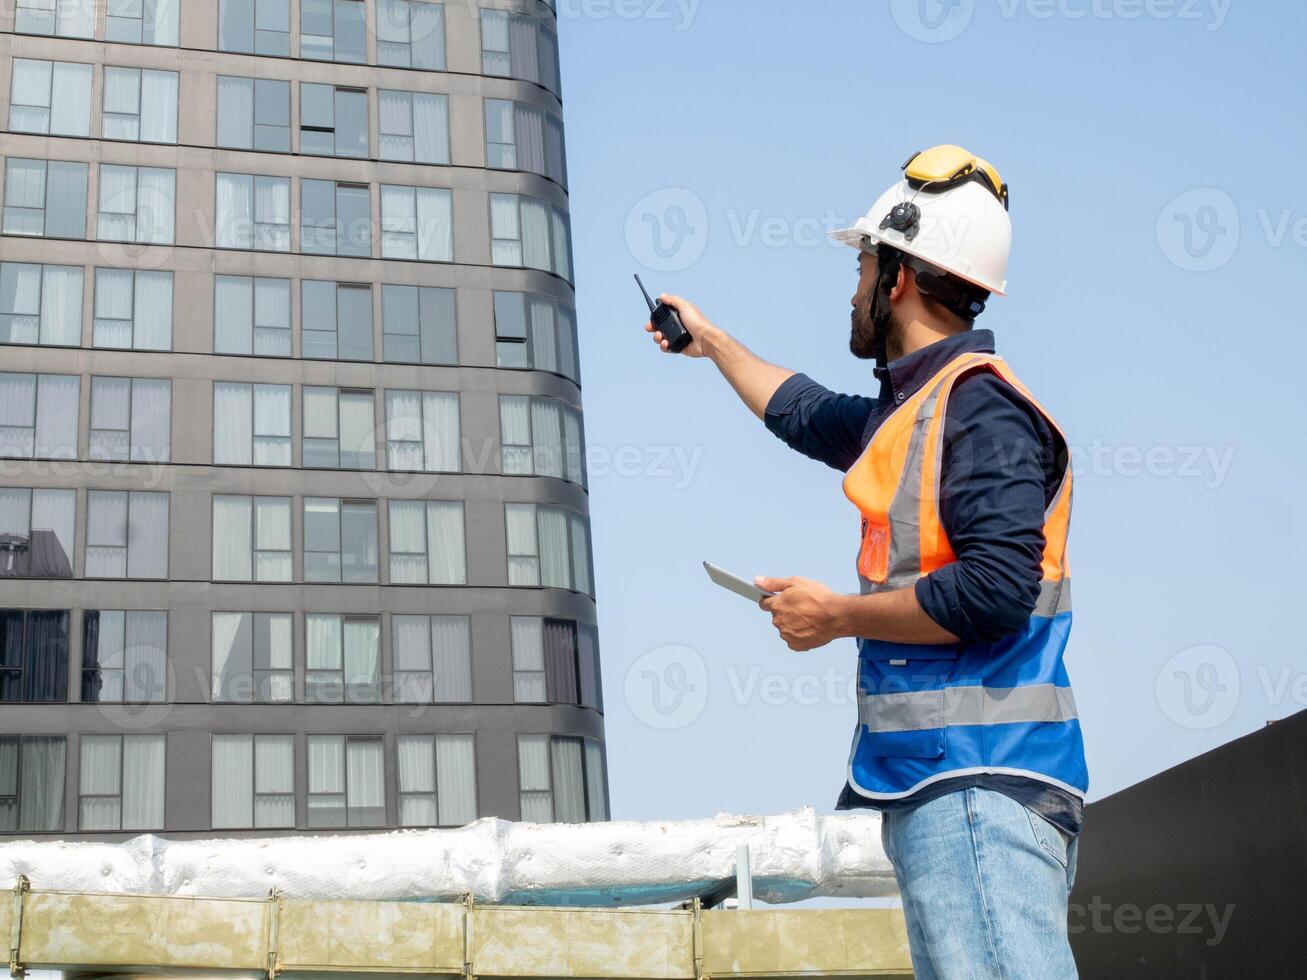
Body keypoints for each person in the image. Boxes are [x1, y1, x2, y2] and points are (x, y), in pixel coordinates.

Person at [642, 145, 1087, 979]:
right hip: (946, 790)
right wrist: (710, 341)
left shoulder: (978, 405)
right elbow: (805, 413)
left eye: (862, 265)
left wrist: (836, 617)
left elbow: (996, 589)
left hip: (979, 787)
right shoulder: (912, 408)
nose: (851, 289)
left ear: (901, 278)